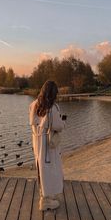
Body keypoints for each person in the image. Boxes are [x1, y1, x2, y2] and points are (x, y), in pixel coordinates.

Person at [29, 80, 66, 211]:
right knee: (51, 169)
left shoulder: (33, 105)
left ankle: (44, 196)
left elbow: (33, 122)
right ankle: (46, 200)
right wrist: (63, 122)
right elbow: (58, 126)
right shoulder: (53, 108)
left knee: (41, 169)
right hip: (47, 143)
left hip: (36, 141)